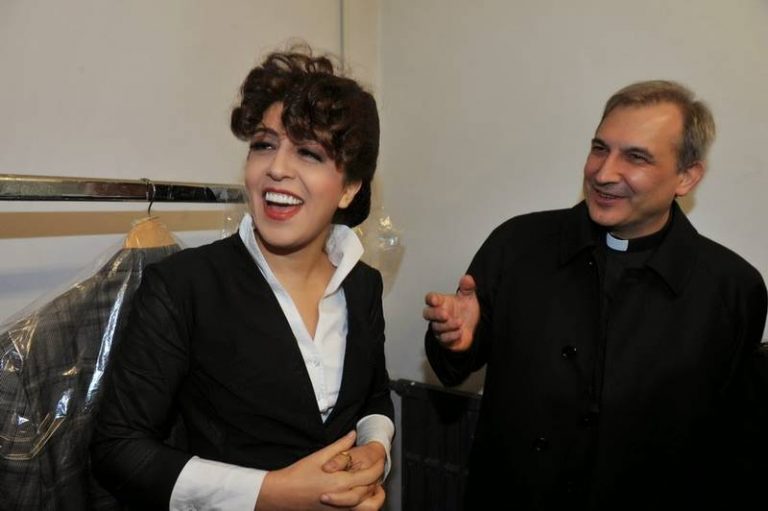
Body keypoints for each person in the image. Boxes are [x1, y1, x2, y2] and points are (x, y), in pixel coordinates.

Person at [423, 80, 767, 510]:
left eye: (636, 157)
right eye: (599, 149)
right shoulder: (518, 245)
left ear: (686, 176)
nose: (604, 174)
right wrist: (454, 339)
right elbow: (452, 368)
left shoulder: (731, 288)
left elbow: (737, 445)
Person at [91, 46, 394, 511]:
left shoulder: (363, 285)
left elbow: (374, 398)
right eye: (264, 145)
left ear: (349, 188)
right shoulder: (183, 287)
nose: (277, 168)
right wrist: (271, 493)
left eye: (308, 152)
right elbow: (118, 449)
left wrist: (376, 450)